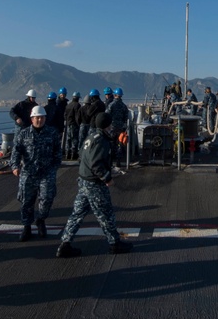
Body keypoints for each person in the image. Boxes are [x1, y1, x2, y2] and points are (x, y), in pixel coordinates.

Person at [56, 113, 132, 257]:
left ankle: (65, 243)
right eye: (110, 125)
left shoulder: (90, 137)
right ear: (106, 126)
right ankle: (115, 243)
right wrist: (107, 178)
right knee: (106, 214)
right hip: (94, 185)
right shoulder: (101, 141)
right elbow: (96, 164)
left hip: (84, 182)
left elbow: (82, 156)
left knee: (77, 214)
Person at [11, 106, 63, 241]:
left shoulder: (52, 133)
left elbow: (57, 152)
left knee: (47, 198)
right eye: (37, 118)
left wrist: (54, 167)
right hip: (28, 173)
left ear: (45, 118)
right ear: (32, 119)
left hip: (46, 173)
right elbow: (16, 151)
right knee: (26, 202)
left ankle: (41, 220)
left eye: (42, 117)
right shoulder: (23, 134)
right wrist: (15, 166)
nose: (39, 120)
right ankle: (26, 227)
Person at [106, 87, 130, 160]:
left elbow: (107, 114)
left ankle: (112, 156)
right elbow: (126, 117)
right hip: (121, 127)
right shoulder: (124, 106)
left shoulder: (111, 105)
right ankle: (119, 157)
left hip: (112, 127)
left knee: (112, 141)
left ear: (115, 95)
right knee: (119, 142)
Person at [63, 92, 82, 160]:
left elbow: (65, 115)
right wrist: (78, 123)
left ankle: (67, 153)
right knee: (74, 139)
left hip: (68, 124)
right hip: (74, 125)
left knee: (68, 140)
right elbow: (78, 116)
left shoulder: (68, 105)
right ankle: (73, 154)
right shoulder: (77, 105)